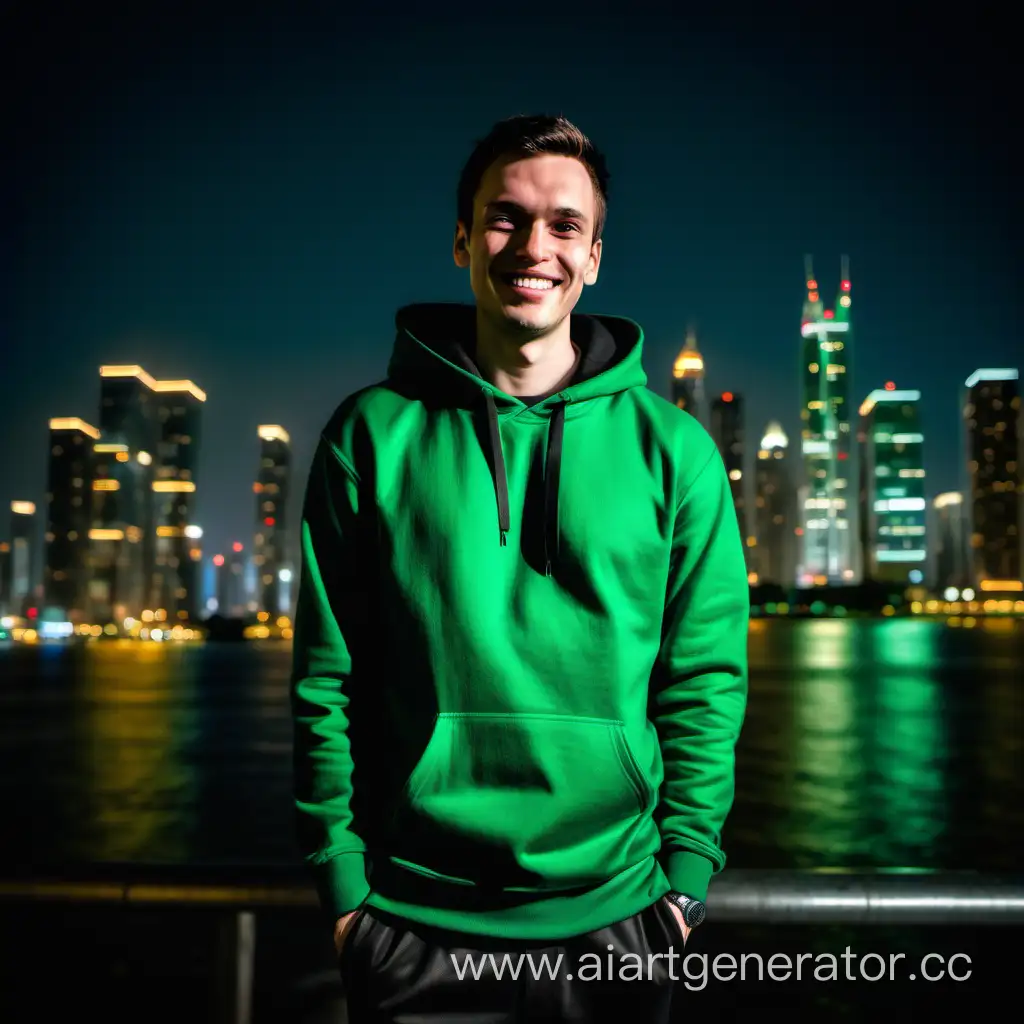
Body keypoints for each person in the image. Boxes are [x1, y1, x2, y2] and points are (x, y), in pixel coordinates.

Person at [290, 113, 749, 1023]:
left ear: (594, 257)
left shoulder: (677, 453)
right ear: (463, 239)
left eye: (565, 225)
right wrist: (344, 895)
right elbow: (325, 679)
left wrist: (684, 884)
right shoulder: (371, 435)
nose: (534, 245)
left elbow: (703, 683)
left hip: (620, 920)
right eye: (506, 217)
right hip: (412, 924)